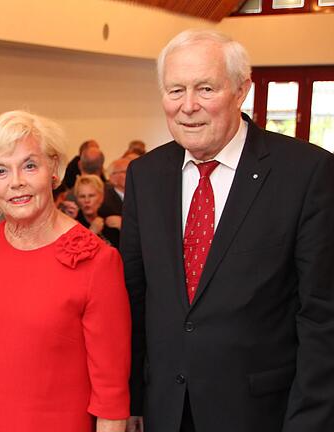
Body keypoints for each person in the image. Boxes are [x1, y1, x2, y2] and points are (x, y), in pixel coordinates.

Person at [121, 29, 334, 432]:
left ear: (241, 91)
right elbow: (135, 298)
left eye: (205, 88)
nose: (188, 106)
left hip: (261, 414)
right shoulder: (145, 175)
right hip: (164, 409)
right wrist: (130, 399)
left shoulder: (306, 173)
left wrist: (310, 421)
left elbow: (322, 317)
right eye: (175, 90)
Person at [0, 110, 130, 432]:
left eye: (30, 165)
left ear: (54, 170)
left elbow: (110, 393)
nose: (16, 182)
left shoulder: (98, 261)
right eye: (1, 171)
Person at [75, 174, 120, 249]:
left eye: (91, 195)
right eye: (82, 196)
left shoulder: (110, 216)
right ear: (77, 199)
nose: (87, 200)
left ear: (101, 197)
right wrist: (92, 233)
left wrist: (124, 228)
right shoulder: (73, 224)